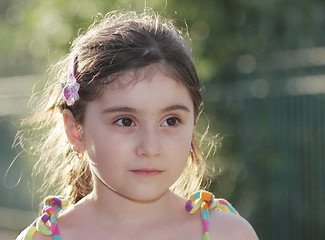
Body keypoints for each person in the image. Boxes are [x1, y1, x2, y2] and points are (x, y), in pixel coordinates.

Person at [16, 9, 258, 240]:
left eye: (171, 121)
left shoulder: (228, 234)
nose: (150, 147)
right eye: (125, 121)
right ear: (75, 131)